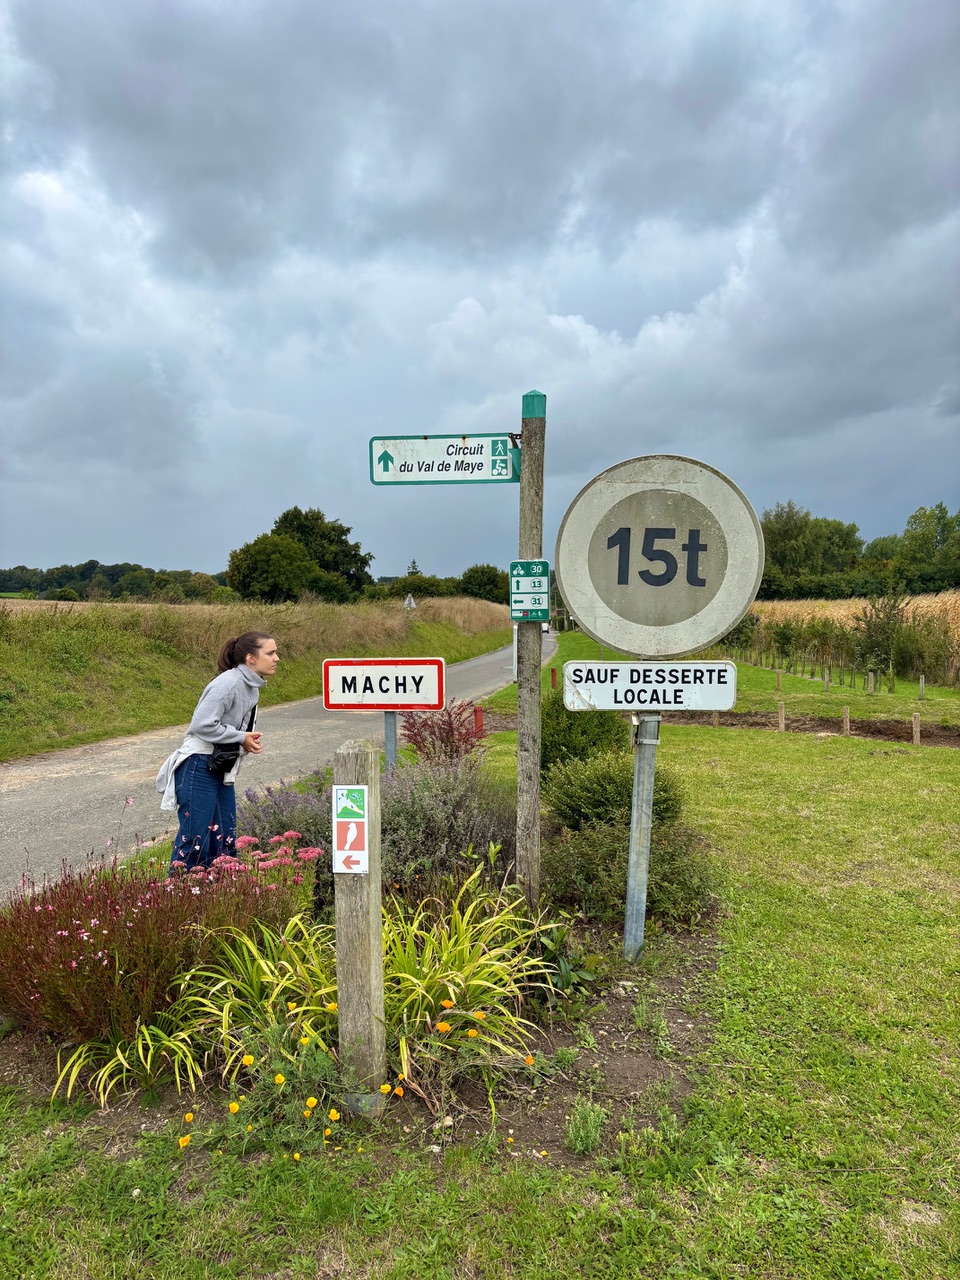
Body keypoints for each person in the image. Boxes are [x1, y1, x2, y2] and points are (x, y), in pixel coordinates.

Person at [156, 632, 279, 872]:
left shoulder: (250, 686)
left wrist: (242, 741)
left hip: (219, 765)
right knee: (195, 838)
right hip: (199, 765)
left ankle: (217, 894)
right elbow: (201, 724)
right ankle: (178, 894)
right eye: (270, 653)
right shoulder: (229, 683)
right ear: (251, 658)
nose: (277, 658)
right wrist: (240, 737)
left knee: (224, 838)